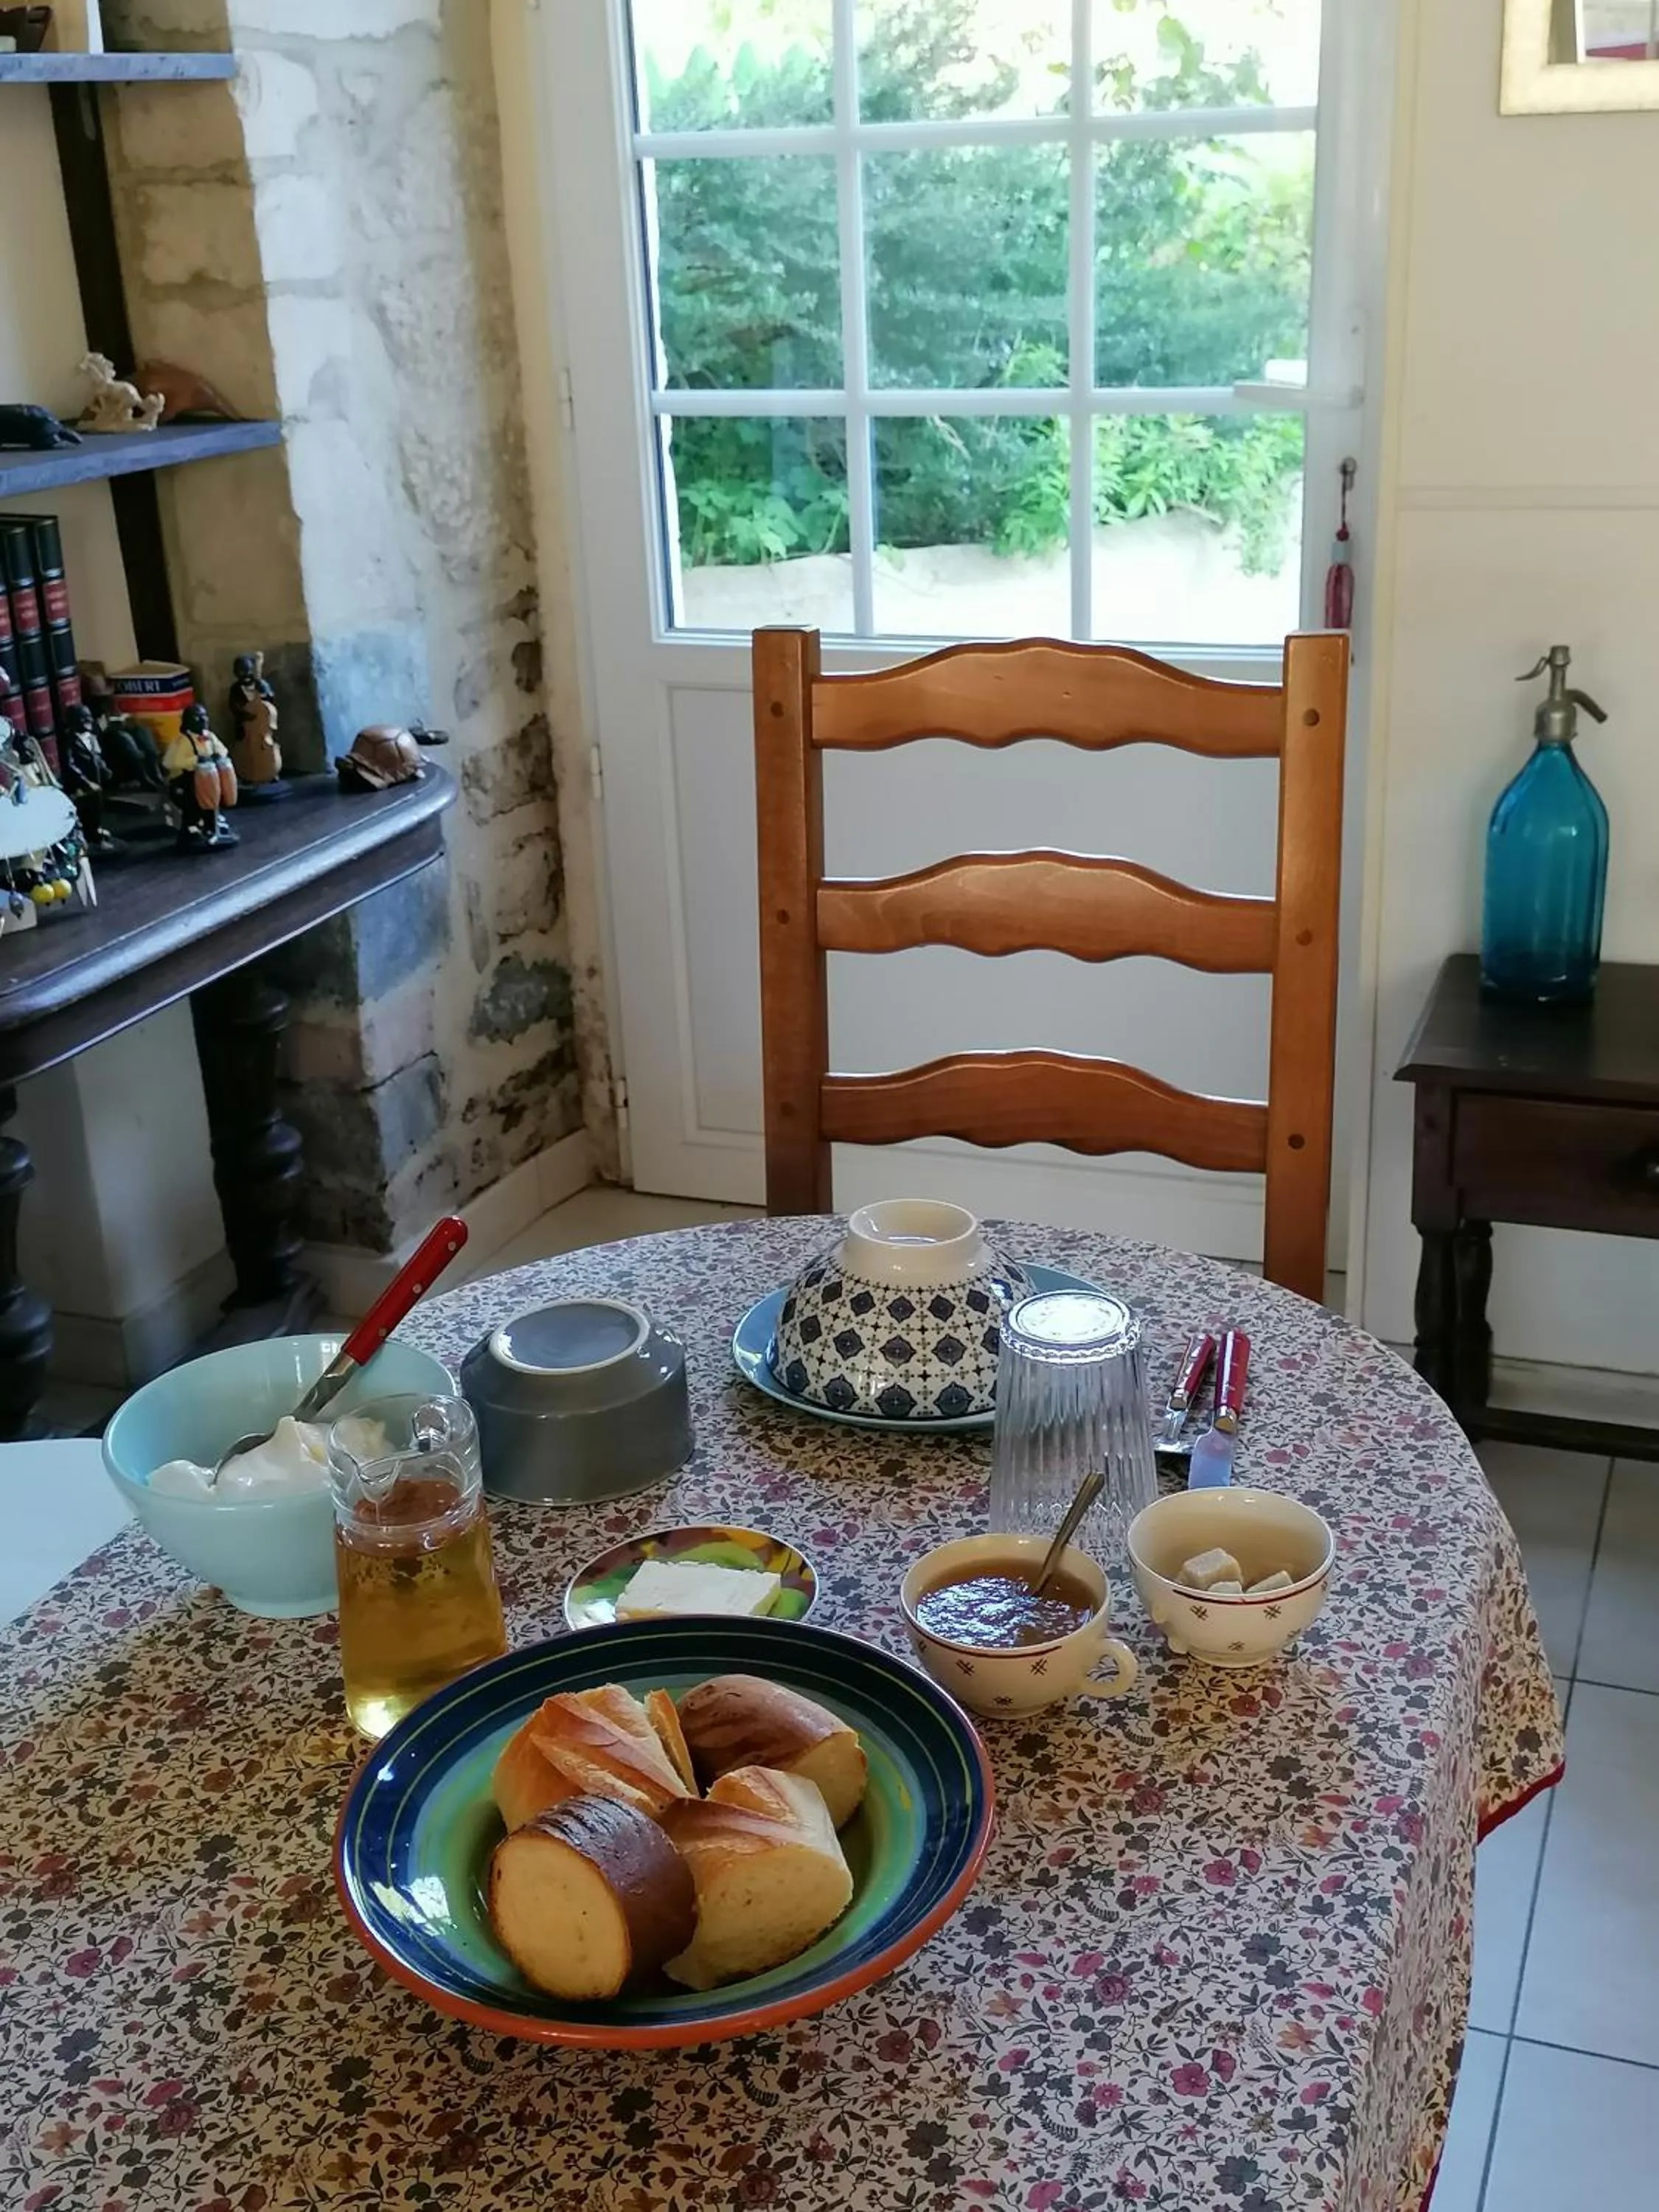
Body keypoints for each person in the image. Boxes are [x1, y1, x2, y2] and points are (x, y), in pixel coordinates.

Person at [163, 703, 238, 849]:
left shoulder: (209, 736)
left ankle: (212, 825)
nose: (203, 720)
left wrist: (217, 756)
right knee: (193, 807)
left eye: (205, 716)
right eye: (198, 717)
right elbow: (169, 762)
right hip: (184, 783)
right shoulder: (183, 740)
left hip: (207, 780)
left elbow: (224, 750)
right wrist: (196, 760)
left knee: (214, 794)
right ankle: (191, 829)